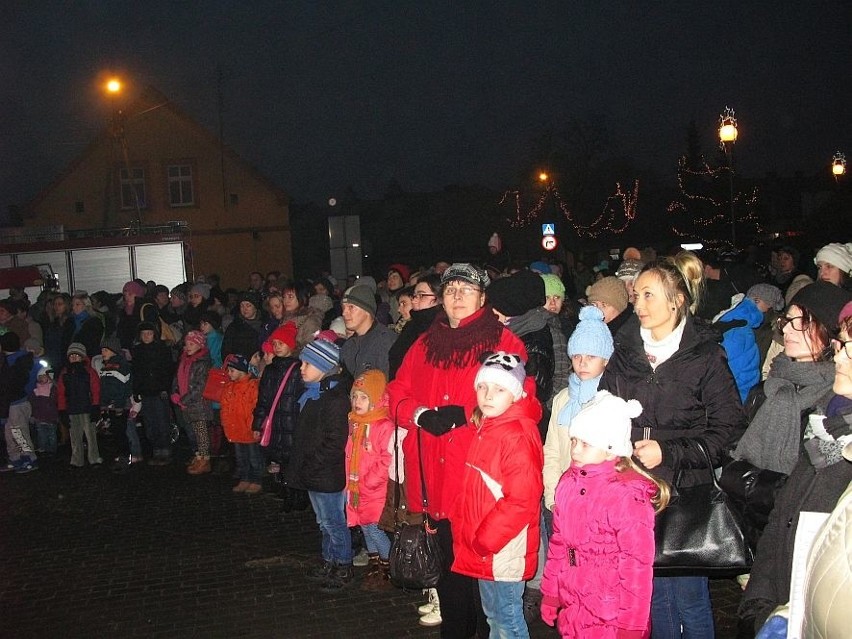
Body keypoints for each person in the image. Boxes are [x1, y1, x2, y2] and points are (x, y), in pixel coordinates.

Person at [598, 251, 746, 638]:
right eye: (636, 295)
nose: (638, 303)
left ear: (676, 299)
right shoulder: (625, 350)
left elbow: (727, 425)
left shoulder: (704, 355)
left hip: (684, 490)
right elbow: (602, 409)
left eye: (649, 295)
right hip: (633, 490)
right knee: (651, 593)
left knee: (689, 594)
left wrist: (671, 451)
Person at [387, 263, 530, 638]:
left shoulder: (503, 342)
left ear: (483, 298)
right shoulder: (424, 342)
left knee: (481, 581)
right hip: (434, 478)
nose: (457, 296)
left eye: (467, 290)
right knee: (448, 573)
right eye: (450, 290)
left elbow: (526, 402)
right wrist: (417, 414)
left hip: (477, 481)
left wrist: (466, 414)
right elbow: (396, 392)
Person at [738, 301, 852, 633]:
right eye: (843, 346)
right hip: (783, 593)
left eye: (848, 349)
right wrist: (760, 606)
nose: (839, 356)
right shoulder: (825, 419)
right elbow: (785, 517)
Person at [726, 281, 852, 546]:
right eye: (787, 320)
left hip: (801, 534)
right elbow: (735, 443)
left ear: (829, 332)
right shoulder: (770, 385)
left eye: (800, 322)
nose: (787, 329)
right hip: (752, 528)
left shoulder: (836, 400)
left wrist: (753, 485)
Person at [540, 391, 670, 638]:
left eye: (585, 443)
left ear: (611, 450)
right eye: (574, 441)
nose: (575, 450)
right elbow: (560, 544)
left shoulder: (626, 497)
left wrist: (631, 625)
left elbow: (636, 567)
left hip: (611, 615)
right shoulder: (568, 482)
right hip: (575, 607)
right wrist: (551, 592)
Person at [451, 352, 543, 639]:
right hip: (485, 547)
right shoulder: (489, 427)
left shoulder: (514, 434)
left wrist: (483, 541)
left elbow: (521, 500)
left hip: (501, 548)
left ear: (515, 394)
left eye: (499, 389)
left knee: (507, 619)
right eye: (482, 387)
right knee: (494, 617)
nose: (488, 395)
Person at [284, 335, 353, 593]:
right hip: (314, 473)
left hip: (325, 475)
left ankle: (343, 564)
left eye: (306, 364)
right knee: (323, 521)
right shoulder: (313, 394)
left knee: (334, 521)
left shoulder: (334, 400)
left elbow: (335, 441)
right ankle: (329, 560)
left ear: (323, 367)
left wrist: (312, 465)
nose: (301, 369)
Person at [345, 369, 395, 589]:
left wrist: (370, 480)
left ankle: (388, 567)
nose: (357, 401)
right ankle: (376, 566)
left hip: (374, 489)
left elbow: (387, 458)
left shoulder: (383, 425)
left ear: (375, 400)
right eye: (355, 396)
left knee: (374, 529)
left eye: (364, 397)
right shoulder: (355, 422)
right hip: (357, 488)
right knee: (365, 528)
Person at [253, 322, 305, 511]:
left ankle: (297, 496)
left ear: (291, 345)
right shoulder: (270, 369)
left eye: (280, 343)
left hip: (292, 422)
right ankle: (286, 493)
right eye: (274, 343)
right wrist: (257, 423)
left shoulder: (299, 368)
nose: (276, 347)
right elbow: (263, 399)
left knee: (293, 461)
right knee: (280, 460)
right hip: (276, 423)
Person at [132, 321, 175, 465]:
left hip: (159, 391)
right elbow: (136, 372)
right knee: (150, 423)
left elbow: (168, 371)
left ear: (154, 335)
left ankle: (165, 450)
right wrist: (136, 390)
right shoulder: (138, 351)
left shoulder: (162, 350)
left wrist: (165, 388)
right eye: (143, 334)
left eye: (149, 333)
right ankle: (157, 450)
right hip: (145, 392)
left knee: (162, 421)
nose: (146, 336)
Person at [92, 336, 137, 471]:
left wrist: (118, 405)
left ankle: (125, 458)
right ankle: (120, 456)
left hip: (120, 406)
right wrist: (104, 404)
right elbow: (105, 388)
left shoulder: (121, 365)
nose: (102, 353)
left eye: (105, 350)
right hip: (112, 406)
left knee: (121, 432)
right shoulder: (106, 367)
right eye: (102, 350)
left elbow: (123, 388)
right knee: (116, 432)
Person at [172, 330, 214, 475]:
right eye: (187, 344)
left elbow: (199, 386)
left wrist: (184, 399)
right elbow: (177, 379)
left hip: (198, 404)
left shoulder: (201, 363)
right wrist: (176, 392)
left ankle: (205, 459)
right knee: (193, 433)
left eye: (192, 344)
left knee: (201, 433)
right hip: (187, 404)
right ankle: (198, 457)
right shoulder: (184, 360)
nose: (188, 347)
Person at [220, 354, 262, 494]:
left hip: (248, 430)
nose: (229, 373)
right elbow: (225, 409)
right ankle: (245, 478)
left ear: (242, 370)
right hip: (235, 429)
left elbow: (255, 408)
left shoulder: (252, 387)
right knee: (241, 458)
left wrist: (254, 426)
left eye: (232, 370)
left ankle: (256, 479)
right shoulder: (229, 388)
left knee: (253, 457)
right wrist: (226, 425)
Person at [388, 273, 442, 380]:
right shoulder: (411, 326)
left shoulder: (441, 329)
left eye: (421, 295)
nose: (414, 300)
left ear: (439, 298)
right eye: (414, 295)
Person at [57, 342, 102, 468]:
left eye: (77, 355)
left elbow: (95, 389)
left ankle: (94, 458)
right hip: (72, 409)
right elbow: (61, 393)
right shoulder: (65, 373)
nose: (74, 357)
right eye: (72, 355)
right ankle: (76, 460)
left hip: (87, 407)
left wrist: (95, 405)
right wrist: (62, 410)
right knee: (74, 437)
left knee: (91, 435)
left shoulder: (89, 371)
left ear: (82, 357)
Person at [0, 331, 39, 473]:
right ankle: (15, 458)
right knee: (10, 433)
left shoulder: (13, 363)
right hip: (13, 403)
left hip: (15, 403)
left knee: (19, 433)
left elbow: (8, 386)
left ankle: (29, 459)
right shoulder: (19, 359)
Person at [340, 284, 397, 378]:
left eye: (351, 307)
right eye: (343, 307)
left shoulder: (387, 342)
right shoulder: (348, 346)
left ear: (367, 310)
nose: (344, 313)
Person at [221, 291, 265, 360]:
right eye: (242, 305)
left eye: (248, 305)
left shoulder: (264, 326)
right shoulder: (234, 326)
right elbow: (226, 349)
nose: (245, 309)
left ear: (255, 308)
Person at [29, 362, 59, 455]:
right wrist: (33, 415)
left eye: (44, 376)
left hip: (51, 416)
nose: (42, 379)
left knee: (52, 434)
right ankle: (43, 448)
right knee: (41, 434)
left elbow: (56, 400)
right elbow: (33, 403)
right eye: (40, 377)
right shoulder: (35, 390)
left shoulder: (53, 389)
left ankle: (52, 449)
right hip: (39, 416)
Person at [70, 292, 105, 358]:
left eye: (77, 304)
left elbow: (92, 344)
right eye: (73, 305)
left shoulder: (94, 322)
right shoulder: (70, 322)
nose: (74, 307)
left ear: (86, 305)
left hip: (88, 358)